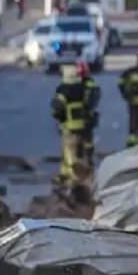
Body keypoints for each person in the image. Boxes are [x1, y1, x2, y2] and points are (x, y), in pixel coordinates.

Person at [51, 63, 92, 202]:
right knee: (76, 151)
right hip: (81, 125)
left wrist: (58, 117)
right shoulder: (81, 88)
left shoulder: (63, 89)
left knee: (70, 155)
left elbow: (58, 107)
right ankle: (65, 176)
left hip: (68, 126)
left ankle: (73, 183)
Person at [77, 60, 100, 165]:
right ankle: (88, 158)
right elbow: (96, 97)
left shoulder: (75, 84)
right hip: (87, 115)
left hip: (79, 116)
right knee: (87, 138)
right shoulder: (91, 83)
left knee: (80, 138)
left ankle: (80, 158)